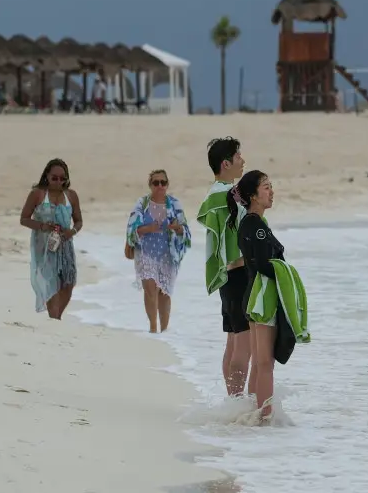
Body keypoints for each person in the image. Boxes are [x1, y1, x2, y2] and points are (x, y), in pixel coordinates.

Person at [232, 170, 310, 420]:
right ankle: (264, 418)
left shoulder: (252, 223)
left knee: (259, 363)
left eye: (271, 186)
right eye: (266, 187)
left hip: (254, 295)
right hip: (263, 297)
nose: (271, 192)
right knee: (265, 363)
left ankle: (252, 415)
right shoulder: (255, 225)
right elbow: (264, 264)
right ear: (253, 195)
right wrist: (287, 270)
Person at [197, 137, 251, 397]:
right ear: (226, 163)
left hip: (229, 276)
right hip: (238, 273)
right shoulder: (223, 195)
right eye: (239, 156)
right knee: (244, 340)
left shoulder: (219, 193)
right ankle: (237, 399)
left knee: (233, 338)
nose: (243, 161)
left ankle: (233, 398)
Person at [126, 169, 191, 333]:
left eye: (163, 182)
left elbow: (186, 231)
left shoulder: (174, 204)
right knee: (150, 288)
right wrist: (149, 228)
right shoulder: (142, 203)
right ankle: (153, 328)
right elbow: (132, 229)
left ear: (167, 185)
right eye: (156, 182)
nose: (160, 186)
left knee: (164, 292)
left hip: (167, 254)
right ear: (150, 185)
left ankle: (165, 330)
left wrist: (177, 228)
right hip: (146, 252)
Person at [19, 158, 82, 319]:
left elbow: (79, 221)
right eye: (55, 178)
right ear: (47, 176)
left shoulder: (71, 195)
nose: (58, 182)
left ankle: (57, 316)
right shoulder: (37, 194)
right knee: (50, 280)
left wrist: (72, 231)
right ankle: (54, 318)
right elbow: (24, 219)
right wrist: (42, 226)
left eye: (63, 179)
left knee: (68, 283)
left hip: (65, 245)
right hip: (44, 246)